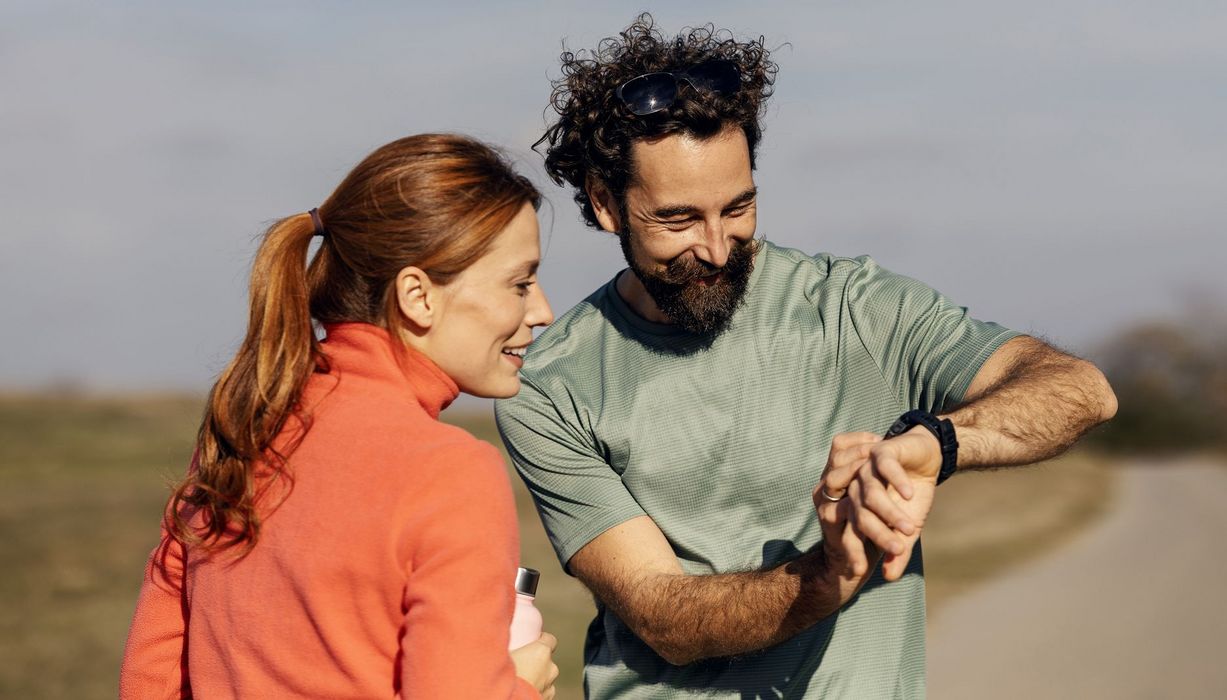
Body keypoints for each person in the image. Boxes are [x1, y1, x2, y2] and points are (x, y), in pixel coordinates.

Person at [495, 15, 1117, 698]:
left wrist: (938, 442)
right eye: (677, 220)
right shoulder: (548, 383)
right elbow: (661, 615)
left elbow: (1080, 390)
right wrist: (829, 572)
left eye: (737, 207)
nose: (716, 246)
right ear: (606, 204)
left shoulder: (856, 307)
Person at [120, 134, 560, 698]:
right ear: (418, 296)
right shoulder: (451, 473)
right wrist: (519, 685)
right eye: (520, 284)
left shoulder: (245, 430)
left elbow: (151, 674)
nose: (542, 311)